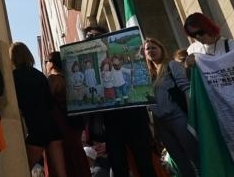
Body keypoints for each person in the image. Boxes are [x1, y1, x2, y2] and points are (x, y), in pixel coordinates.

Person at [80, 25, 155, 177]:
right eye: (88, 37)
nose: (91, 38)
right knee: (119, 165)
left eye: (95, 36)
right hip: (111, 122)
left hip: (134, 115)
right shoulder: (95, 69)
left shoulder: (117, 61)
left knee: (144, 161)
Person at [142, 37, 200, 177]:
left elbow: (186, 89)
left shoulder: (171, 65)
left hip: (178, 118)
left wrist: (193, 114)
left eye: (154, 47)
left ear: (161, 49)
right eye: (147, 49)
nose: (151, 50)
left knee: (196, 157)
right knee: (181, 163)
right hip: (161, 125)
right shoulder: (147, 75)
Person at [10, 42, 66, 177]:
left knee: (22, 170)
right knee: (61, 174)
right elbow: (49, 103)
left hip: (36, 128)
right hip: (52, 127)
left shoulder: (13, 77)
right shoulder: (40, 75)